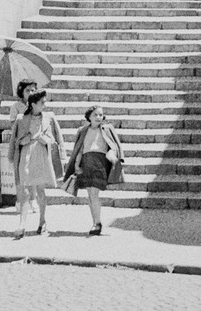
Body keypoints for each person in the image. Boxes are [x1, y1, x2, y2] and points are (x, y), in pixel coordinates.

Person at [12, 90, 66, 239]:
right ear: (33, 104)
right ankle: (22, 224)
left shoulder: (49, 117)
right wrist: (23, 140)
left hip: (42, 154)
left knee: (41, 190)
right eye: (42, 102)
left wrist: (46, 139)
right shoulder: (21, 119)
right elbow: (15, 140)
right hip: (27, 155)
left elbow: (57, 137)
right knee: (25, 190)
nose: (45, 104)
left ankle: (42, 221)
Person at [64, 105, 125, 236]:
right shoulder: (83, 130)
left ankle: (97, 223)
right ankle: (95, 222)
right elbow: (79, 148)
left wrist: (112, 155)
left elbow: (114, 145)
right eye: (95, 115)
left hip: (99, 162)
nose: (98, 117)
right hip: (86, 163)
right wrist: (76, 165)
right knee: (90, 195)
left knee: (94, 193)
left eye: (100, 114)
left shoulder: (107, 129)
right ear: (89, 117)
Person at [8, 79, 39, 214]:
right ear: (22, 92)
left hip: (33, 142)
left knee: (33, 171)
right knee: (20, 173)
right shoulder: (16, 106)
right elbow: (13, 125)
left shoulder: (37, 105)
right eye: (27, 90)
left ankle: (33, 199)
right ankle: (20, 200)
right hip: (20, 144)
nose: (30, 92)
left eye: (33, 90)